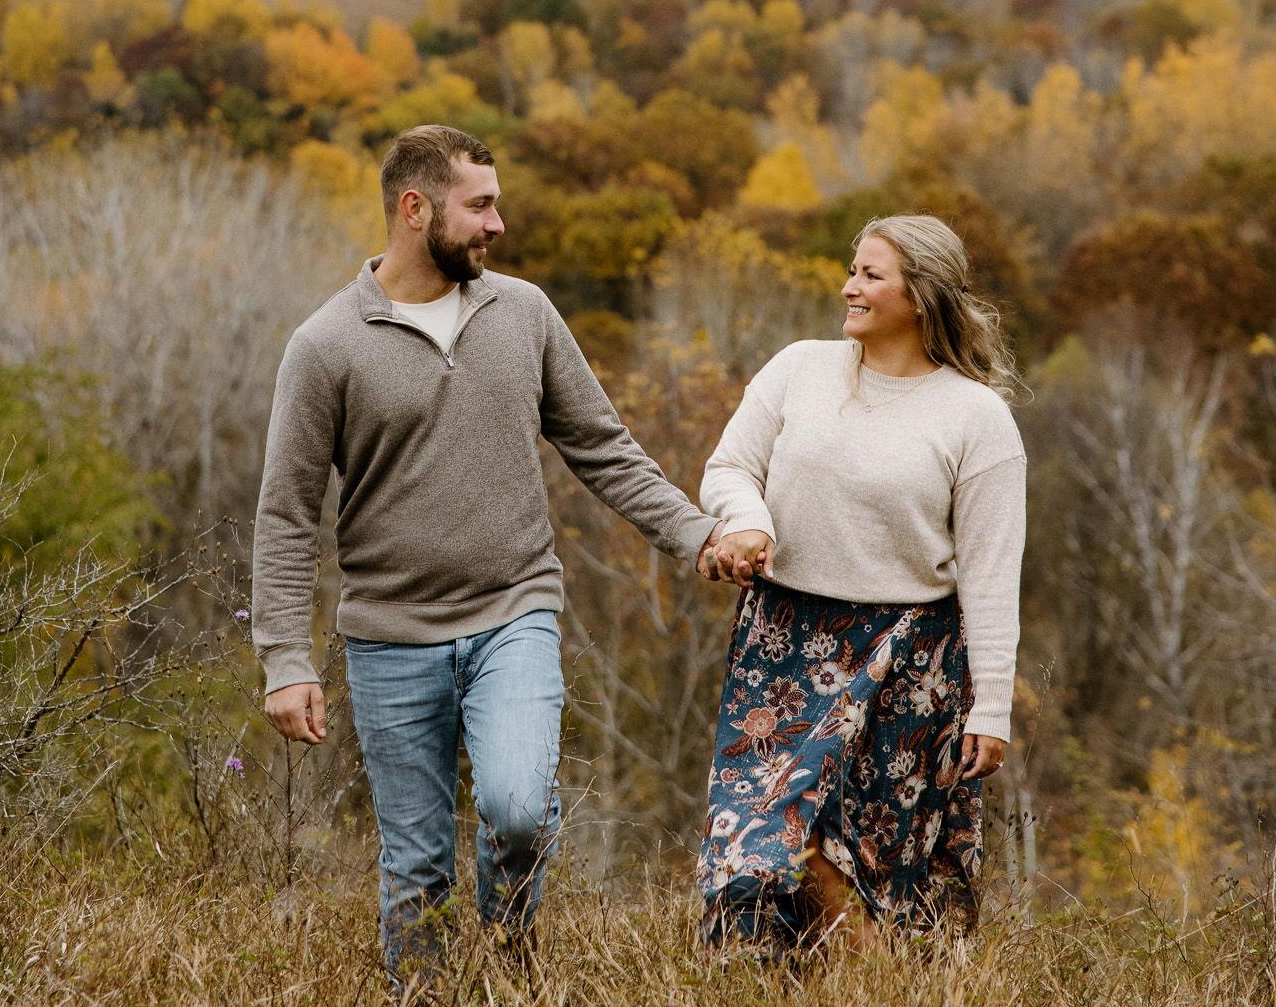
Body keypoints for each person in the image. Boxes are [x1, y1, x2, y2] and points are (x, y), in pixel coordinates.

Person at [251, 124, 721, 993]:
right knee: (416, 865)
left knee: (517, 809)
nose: (497, 225)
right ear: (414, 208)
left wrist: (697, 535)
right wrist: (285, 658)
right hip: (390, 638)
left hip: (515, 612)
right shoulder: (325, 346)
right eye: (480, 206)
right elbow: (286, 514)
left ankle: (509, 970)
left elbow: (604, 448)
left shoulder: (525, 313)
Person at [693, 214, 1026, 949]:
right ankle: (790, 977)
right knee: (758, 845)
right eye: (853, 270)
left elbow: (992, 575)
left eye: (872, 275)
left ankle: (862, 980)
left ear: (922, 296)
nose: (850, 287)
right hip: (781, 644)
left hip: (911, 657)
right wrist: (749, 522)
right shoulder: (800, 369)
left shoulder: (977, 417)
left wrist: (992, 708)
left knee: (879, 864)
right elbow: (730, 467)